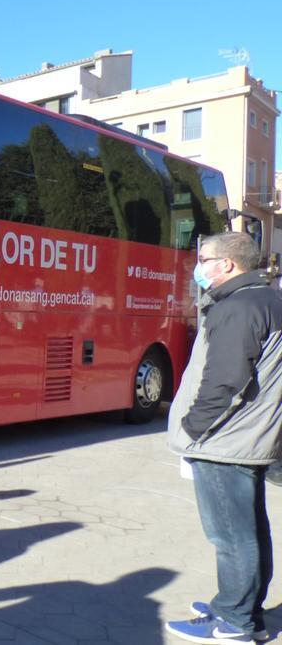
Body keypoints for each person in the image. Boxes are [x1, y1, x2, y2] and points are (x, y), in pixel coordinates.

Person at [165, 231, 282, 645]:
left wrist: (193, 429)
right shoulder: (266, 299)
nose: (198, 266)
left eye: (205, 259)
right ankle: (240, 606)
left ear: (228, 265)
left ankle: (235, 622)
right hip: (246, 438)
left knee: (231, 535)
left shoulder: (240, 307)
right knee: (249, 529)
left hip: (225, 440)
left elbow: (226, 380)